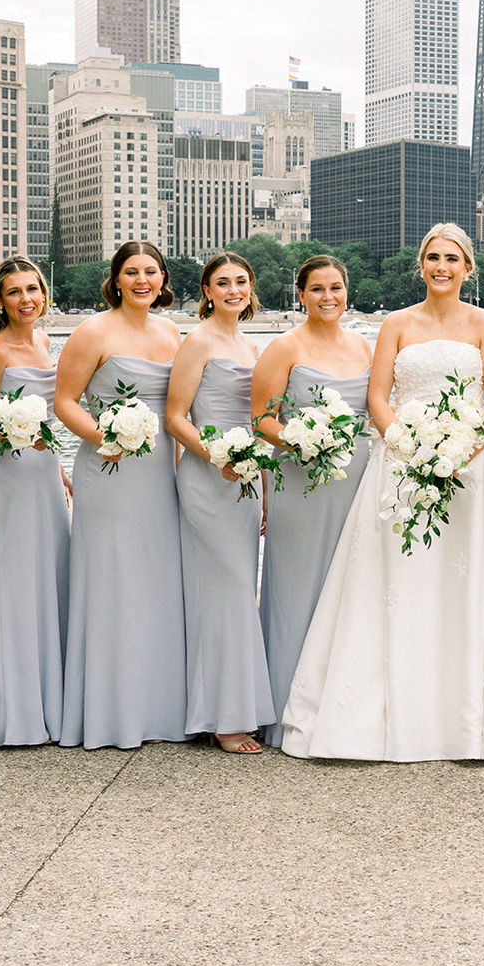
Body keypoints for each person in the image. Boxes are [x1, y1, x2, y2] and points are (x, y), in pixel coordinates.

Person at [282, 224, 484, 762]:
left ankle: (467, 722)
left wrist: (464, 447)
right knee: (398, 581)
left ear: (468, 268)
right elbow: (379, 397)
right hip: (401, 465)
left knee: (466, 584)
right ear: (420, 266)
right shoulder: (396, 324)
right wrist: (408, 445)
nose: (441, 267)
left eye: (452, 258)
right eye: (432, 258)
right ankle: (385, 715)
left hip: (471, 469)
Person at [56, 241, 186, 750]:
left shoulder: (173, 332)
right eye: (131, 272)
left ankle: (156, 709)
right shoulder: (93, 331)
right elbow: (64, 401)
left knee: (155, 581)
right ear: (115, 279)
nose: (141, 280)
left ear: (162, 278)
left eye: (150, 272)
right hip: (107, 473)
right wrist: (104, 439)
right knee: (111, 580)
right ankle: (109, 713)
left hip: (159, 475)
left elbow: (179, 410)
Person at [250, 253, 371, 747]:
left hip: (357, 478)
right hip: (299, 480)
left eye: (336, 288)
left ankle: (341, 706)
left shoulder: (366, 346)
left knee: (350, 587)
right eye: (317, 289)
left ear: (347, 292)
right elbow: (262, 418)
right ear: (300, 295)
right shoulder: (283, 348)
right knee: (297, 587)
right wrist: (303, 440)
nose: (328, 298)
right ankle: (282, 708)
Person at [166, 252, 274, 754]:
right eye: (222, 283)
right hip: (209, 481)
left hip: (246, 483)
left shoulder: (252, 346)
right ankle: (223, 717)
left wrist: (266, 489)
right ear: (207, 291)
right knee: (225, 591)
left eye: (241, 282)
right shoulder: (198, 341)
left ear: (252, 288)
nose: (234, 290)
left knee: (236, 590)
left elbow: (259, 423)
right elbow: (175, 417)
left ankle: (231, 706)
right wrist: (216, 459)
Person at [0, 258, 70, 748]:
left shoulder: (47, 343)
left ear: (44, 293)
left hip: (45, 478)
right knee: (13, 592)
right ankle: (13, 714)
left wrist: (62, 468)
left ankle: (47, 705)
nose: (27, 299)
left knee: (46, 585)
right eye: (14, 292)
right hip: (9, 480)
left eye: (33, 289)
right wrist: (19, 431)